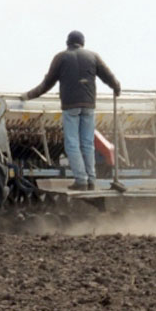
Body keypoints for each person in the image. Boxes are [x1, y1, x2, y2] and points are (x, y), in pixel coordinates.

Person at [20, 30, 120, 191]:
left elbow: (47, 84)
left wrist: (27, 96)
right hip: (89, 106)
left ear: (68, 43)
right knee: (88, 143)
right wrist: (116, 87)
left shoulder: (61, 57)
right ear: (83, 43)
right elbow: (108, 76)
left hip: (71, 106)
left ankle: (81, 180)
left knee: (72, 144)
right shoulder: (93, 56)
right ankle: (91, 180)